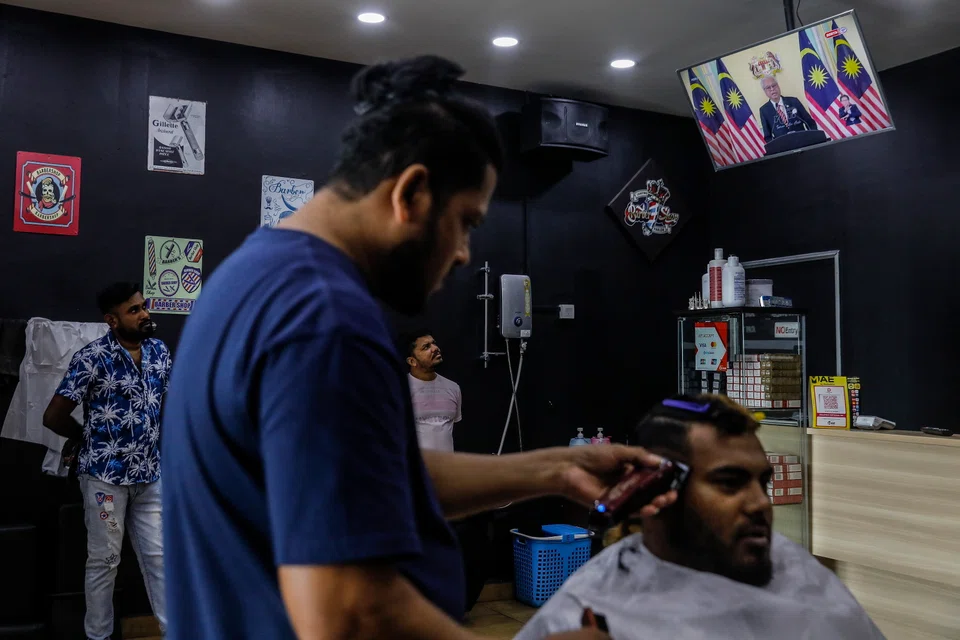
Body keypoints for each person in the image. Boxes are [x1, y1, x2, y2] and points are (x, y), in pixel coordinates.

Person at [160, 54, 675, 640]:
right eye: (466, 222)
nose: (463, 254)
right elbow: (349, 616)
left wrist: (558, 468)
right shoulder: (325, 318)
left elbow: (363, 482)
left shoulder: (254, 274)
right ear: (411, 193)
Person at [515, 394, 884, 639]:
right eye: (729, 483)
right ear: (657, 490)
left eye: (762, 482)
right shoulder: (591, 611)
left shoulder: (798, 572)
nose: (760, 504)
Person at [43, 282, 170, 640]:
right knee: (104, 563)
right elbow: (53, 416)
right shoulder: (92, 357)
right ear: (112, 320)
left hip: (150, 475)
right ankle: (98, 636)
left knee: (161, 560)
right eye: (134, 310)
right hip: (104, 478)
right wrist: (84, 436)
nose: (145, 314)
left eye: (144, 306)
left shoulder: (159, 351)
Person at [404, 329, 462, 452]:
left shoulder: (453, 387)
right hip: (414, 469)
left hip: (447, 468)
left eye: (434, 343)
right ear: (412, 361)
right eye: (426, 347)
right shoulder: (400, 390)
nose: (435, 348)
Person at [758, 75, 818, 142]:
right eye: (768, 87)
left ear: (778, 86)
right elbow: (768, 136)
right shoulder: (764, 110)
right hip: (784, 148)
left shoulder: (794, 101)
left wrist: (813, 140)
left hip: (803, 142)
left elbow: (810, 123)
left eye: (774, 85)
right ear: (764, 91)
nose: (772, 89)